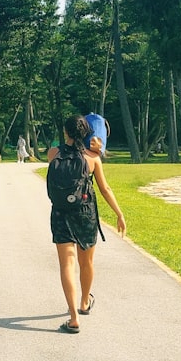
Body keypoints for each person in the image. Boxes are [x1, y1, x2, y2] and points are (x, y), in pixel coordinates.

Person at [47, 115, 126, 334]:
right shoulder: (93, 160)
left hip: (61, 214)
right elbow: (105, 189)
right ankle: (84, 302)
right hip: (86, 214)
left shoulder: (53, 154)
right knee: (87, 262)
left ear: (66, 132)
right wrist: (119, 214)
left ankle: (73, 318)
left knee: (67, 265)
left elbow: (58, 149)